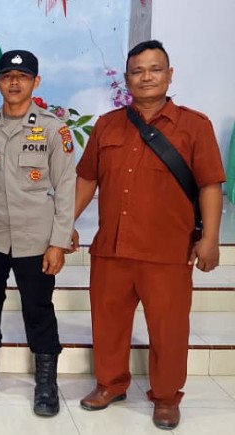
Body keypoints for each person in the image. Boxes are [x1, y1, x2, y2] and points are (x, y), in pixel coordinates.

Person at [72, 40, 225, 430]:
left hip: (168, 252)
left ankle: (167, 397)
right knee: (108, 323)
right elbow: (87, 179)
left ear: (169, 75)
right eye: (137, 71)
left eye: (155, 69)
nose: (146, 77)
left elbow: (210, 185)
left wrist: (210, 239)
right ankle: (110, 384)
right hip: (112, 248)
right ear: (127, 79)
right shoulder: (107, 125)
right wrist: (63, 224)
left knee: (168, 330)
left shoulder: (195, 125)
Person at [0, 50, 75, 416]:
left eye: (22, 77)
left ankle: (46, 384)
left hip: (36, 239)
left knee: (39, 309)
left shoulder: (53, 130)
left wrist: (59, 242)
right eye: (7, 76)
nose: (14, 83)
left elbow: (66, 188)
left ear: (36, 82)